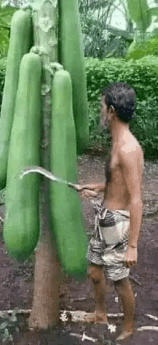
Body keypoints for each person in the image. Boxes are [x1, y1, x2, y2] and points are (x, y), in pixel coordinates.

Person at [76, 82, 144, 341]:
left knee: (120, 280)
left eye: (102, 106)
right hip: (104, 218)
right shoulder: (117, 143)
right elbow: (118, 183)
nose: (100, 111)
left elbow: (136, 199)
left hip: (118, 224)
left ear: (112, 111)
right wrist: (97, 187)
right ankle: (101, 313)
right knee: (94, 272)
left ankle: (128, 327)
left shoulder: (128, 148)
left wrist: (133, 246)